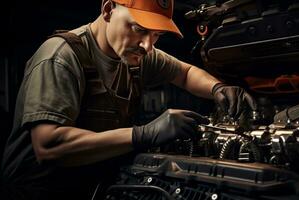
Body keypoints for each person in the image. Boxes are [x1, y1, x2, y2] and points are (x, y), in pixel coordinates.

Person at [0, 0, 256, 199]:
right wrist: (143, 134)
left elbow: (184, 72)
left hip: (91, 185)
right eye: (139, 29)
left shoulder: (136, 56)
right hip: (37, 191)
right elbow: (48, 145)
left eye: (156, 35)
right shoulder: (61, 57)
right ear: (109, 9)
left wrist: (218, 88)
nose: (147, 45)